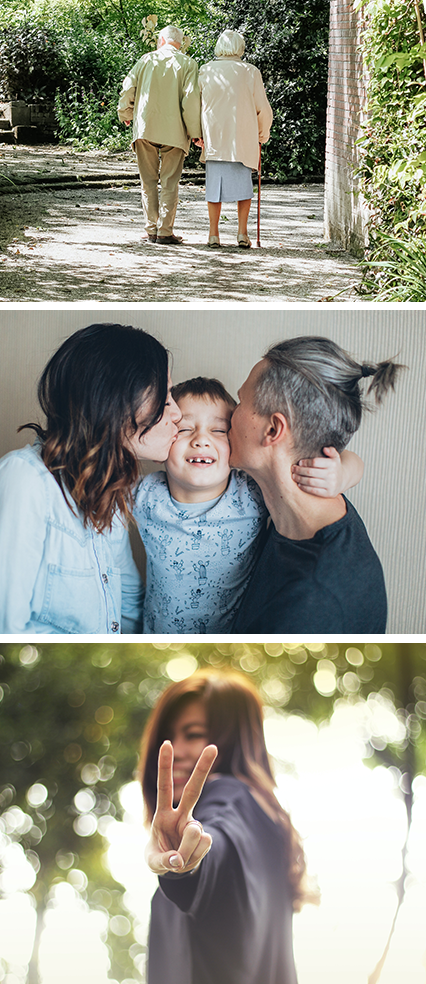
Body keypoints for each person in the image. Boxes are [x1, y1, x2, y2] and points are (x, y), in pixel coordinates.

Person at [0, 323, 181, 634]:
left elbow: (129, 610)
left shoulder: (111, 497)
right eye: (166, 398)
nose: (178, 413)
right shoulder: (22, 482)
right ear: (116, 399)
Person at [132, 375, 363, 633]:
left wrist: (341, 474)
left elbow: (351, 459)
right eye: (185, 429)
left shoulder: (250, 492)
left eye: (218, 430)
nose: (201, 439)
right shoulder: (145, 494)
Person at [139, 668, 315, 984]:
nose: (176, 750)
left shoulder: (227, 796)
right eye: (170, 736)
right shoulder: (272, 823)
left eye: (193, 734)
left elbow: (218, 843)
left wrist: (189, 863)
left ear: (231, 738)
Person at [229, 336, 405, 633]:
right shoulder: (312, 504)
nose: (229, 414)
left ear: (273, 429)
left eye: (240, 401)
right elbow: (349, 459)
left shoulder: (310, 603)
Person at [117, 25, 202, 244]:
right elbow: (191, 100)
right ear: (180, 43)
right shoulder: (189, 64)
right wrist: (195, 133)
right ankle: (165, 232)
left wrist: (125, 112)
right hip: (175, 131)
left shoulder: (145, 60)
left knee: (148, 181)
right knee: (170, 182)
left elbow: (128, 88)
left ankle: (151, 229)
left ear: (161, 41)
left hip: (146, 127)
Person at [198, 29, 273, 248]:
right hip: (243, 138)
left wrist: (197, 134)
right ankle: (242, 233)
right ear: (240, 48)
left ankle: (213, 234)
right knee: (244, 188)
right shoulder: (250, 72)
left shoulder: (206, 70)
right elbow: (263, 109)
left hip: (215, 137)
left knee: (214, 189)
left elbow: (197, 105)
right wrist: (262, 134)